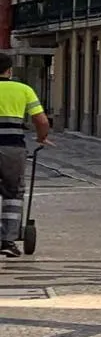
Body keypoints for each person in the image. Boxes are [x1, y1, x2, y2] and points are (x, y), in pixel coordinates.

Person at [0, 53, 52, 257]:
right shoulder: (23, 90)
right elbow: (41, 120)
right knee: (13, 193)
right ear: (9, 71)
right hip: (13, 148)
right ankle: (8, 240)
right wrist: (42, 138)